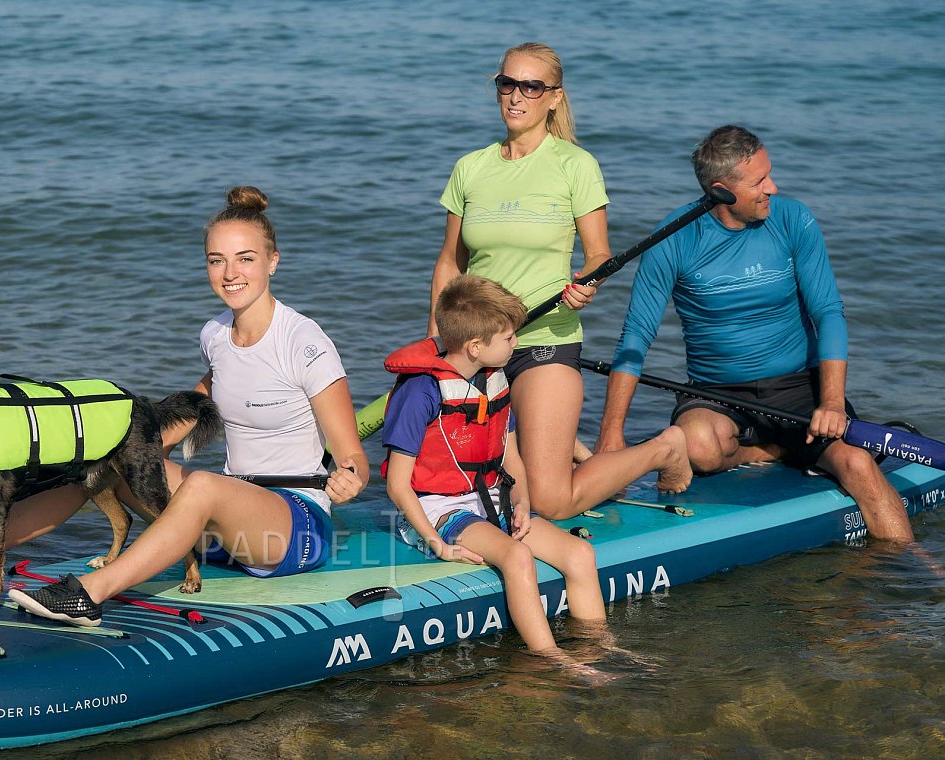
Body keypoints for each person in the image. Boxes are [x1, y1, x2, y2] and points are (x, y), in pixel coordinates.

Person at [0, 186, 370, 624]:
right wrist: (120, 441)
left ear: (273, 261)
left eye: (245, 259)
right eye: (216, 260)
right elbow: (201, 405)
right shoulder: (216, 335)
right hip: (229, 530)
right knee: (105, 455)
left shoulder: (304, 342)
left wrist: (350, 477)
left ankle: (90, 593)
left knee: (202, 485)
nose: (229, 274)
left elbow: (353, 458)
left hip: (292, 528)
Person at [594, 125, 914, 543]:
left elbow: (829, 313)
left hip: (800, 386)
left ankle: (911, 576)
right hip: (718, 391)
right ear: (722, 191)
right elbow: (636, 334)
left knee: (857, 465)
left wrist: (832, 403)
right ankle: (776, 446)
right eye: (759, 181)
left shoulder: (793, 219)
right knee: (698, 448)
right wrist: (611, 431)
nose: (772, 187)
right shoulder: (673, 239)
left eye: (769, 174)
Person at [428, 41, 691, 518]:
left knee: (548, 501)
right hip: (475, 346)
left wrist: (586, 283)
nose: (516, 96)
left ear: (554, 97)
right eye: (507, 83)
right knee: (469, 491)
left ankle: (664, 448)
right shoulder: (471, 167)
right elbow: (450, 262)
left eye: (531, 86)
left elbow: (598, 254)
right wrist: (437, 334)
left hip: (544, 340)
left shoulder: (575, 165)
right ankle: (567, 446)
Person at [383, 274, 609, 664]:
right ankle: (552, 657)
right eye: (508, 337)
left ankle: (600, 646)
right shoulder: (420, 392)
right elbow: (397, 487)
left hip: (491, 501)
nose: (516, 343)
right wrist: (438, 545)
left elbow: (509, 457)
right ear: (475, 346)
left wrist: (521, 502)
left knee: (579, 554)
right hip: (437, 510)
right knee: (517, 558)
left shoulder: (493, 378)